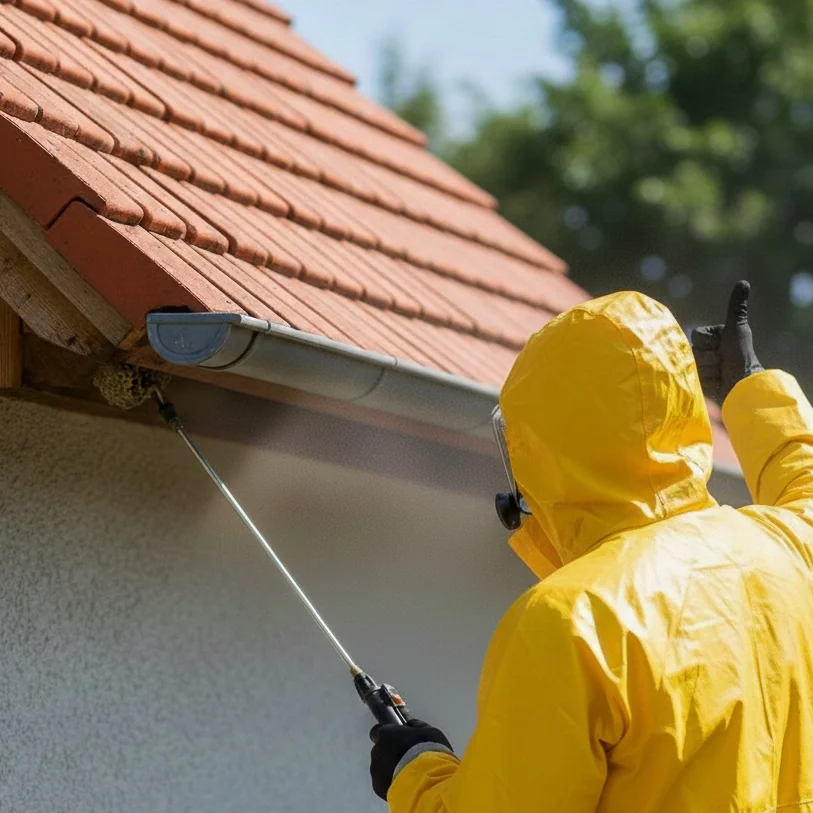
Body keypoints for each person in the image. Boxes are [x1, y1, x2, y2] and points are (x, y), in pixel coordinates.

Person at [368, 283, 813, 812]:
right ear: (680, 405)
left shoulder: (570, 621)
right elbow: (802, 481)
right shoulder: (790, 549)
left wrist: (416, 772)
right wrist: (752, 386)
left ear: (541, 450)